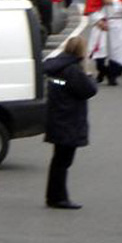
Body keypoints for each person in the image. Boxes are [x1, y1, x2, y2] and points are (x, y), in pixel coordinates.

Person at [44, 36, 98, 209]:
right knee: (63, 162)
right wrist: (89, 76)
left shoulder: (56, 67)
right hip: (69, 119)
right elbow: (89, 90)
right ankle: (59, 197)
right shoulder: (73, 70)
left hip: (57, 116)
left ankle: (54, 195)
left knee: (57, 160)